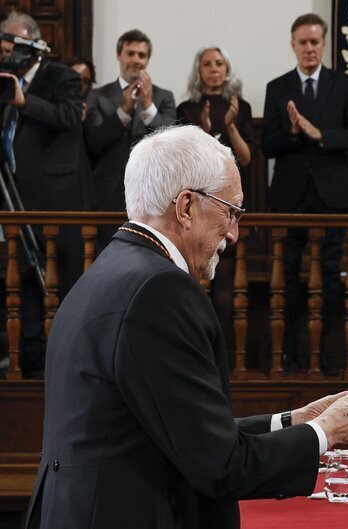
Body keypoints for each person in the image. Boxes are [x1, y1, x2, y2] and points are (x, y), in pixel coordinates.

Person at [2, 124, 348, 529]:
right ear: (185, 206)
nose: (234, 234)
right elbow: (217, 464)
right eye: (231, 212)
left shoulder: (111, 271)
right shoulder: (160, 289)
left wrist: (294, 421)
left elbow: (168, 429)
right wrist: (324, 434)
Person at [263, 13, 348, 374]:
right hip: (290, 197)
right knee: (288, 278)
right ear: (293, 45)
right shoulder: (277, 87)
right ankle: (288, 355)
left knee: (330, 276)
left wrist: (319, 134)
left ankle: (326, 355)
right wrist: (294, 132)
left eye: (315, 42)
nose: (309, 48)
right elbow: (267, 145)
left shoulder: (343, 84)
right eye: (302, 42)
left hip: (332, 196)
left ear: (324, 45)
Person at [0, 11, 92, 377]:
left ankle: (68, 358)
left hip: (58, 201)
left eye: (10, 45)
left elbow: (71, 116)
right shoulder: (4, 79)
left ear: (32, 46)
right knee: (19, 278)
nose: (5, 53)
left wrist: (26, 103)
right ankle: (30, 354)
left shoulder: (62, 76)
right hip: (13, 198)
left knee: (62, 278)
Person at [176, 45, 254, 360]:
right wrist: (205, 131)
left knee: (225, 289)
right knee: (193, 284)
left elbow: (245, 159)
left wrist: (230, 125)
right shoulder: (187, 107)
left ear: (226, 68)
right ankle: (194, 350)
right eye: (207, 63)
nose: (213, 68)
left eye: (219, 63)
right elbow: (188, 161)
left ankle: (225, 356)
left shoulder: (240, 106)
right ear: (199, 70)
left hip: (228, 207)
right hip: (199, 206)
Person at [85, 29, 176, 221]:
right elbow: (95, 141)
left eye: (141, 55)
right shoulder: (97, 95)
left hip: (152, 194)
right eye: (130, 53)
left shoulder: (164, 97)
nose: (136, 59)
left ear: (147, 60)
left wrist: (148, 106)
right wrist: (124, 110)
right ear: (119, 55)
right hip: (107, 193)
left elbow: (171, 143)